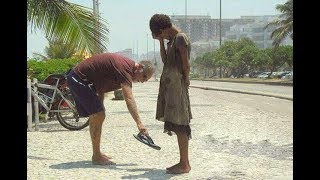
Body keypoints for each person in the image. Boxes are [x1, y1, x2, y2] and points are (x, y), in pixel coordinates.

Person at [66, 52, 155, 165]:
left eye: (146, 80)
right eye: (144, 77)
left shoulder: (126, 69)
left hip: (82, 79)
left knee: (99, 114)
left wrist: (100, 105)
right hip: (77, 77)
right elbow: (129, 98)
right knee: (98, 115)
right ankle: (96, 156)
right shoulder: (125, 69)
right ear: (140, 68)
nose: (143, 81)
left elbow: (101, 85)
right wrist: (139, 123)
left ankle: (96, 153)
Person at [149, 14, 192, 174]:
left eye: (159, 34)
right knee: (176, 122)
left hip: (178, 87)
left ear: (162, 29)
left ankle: (184, 164)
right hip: (172, 87)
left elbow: (186, 64)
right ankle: (183, 162)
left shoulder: (180, 38)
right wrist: (161, 42)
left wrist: (186, 80)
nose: (161, 37)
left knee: (181, 124)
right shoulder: (172, 40)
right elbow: (166, 61)